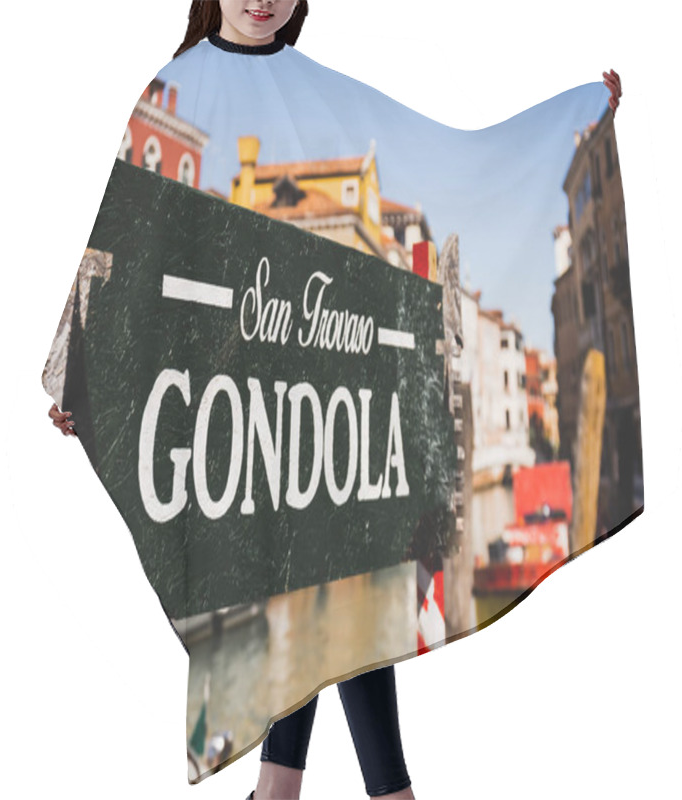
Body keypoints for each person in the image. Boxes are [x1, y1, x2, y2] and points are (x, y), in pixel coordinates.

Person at [47, 2, 624, 798]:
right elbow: (130, 249)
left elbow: (449, 161)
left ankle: (295, 790)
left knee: (334, 580)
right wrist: (82, 368)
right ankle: (355, 791)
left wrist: (581, 122)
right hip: (245, 406)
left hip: (324, 404)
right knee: (320, 584)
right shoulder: (173, 87)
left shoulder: (318, 91)